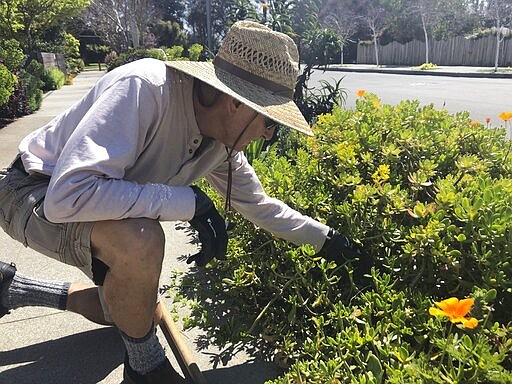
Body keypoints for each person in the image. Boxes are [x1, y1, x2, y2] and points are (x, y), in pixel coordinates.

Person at [0, 21, 369, 383]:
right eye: (269, 119)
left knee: (134, 311)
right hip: (31, 191)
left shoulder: (221, 143)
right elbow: (68, 196)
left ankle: (12, 289)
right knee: (142, 240)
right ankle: (145, 369)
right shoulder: (145, 88)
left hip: (92, 214)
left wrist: (331, 241)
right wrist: (187, 200)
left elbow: (259, 205)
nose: (269, 134)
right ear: (235, 104)